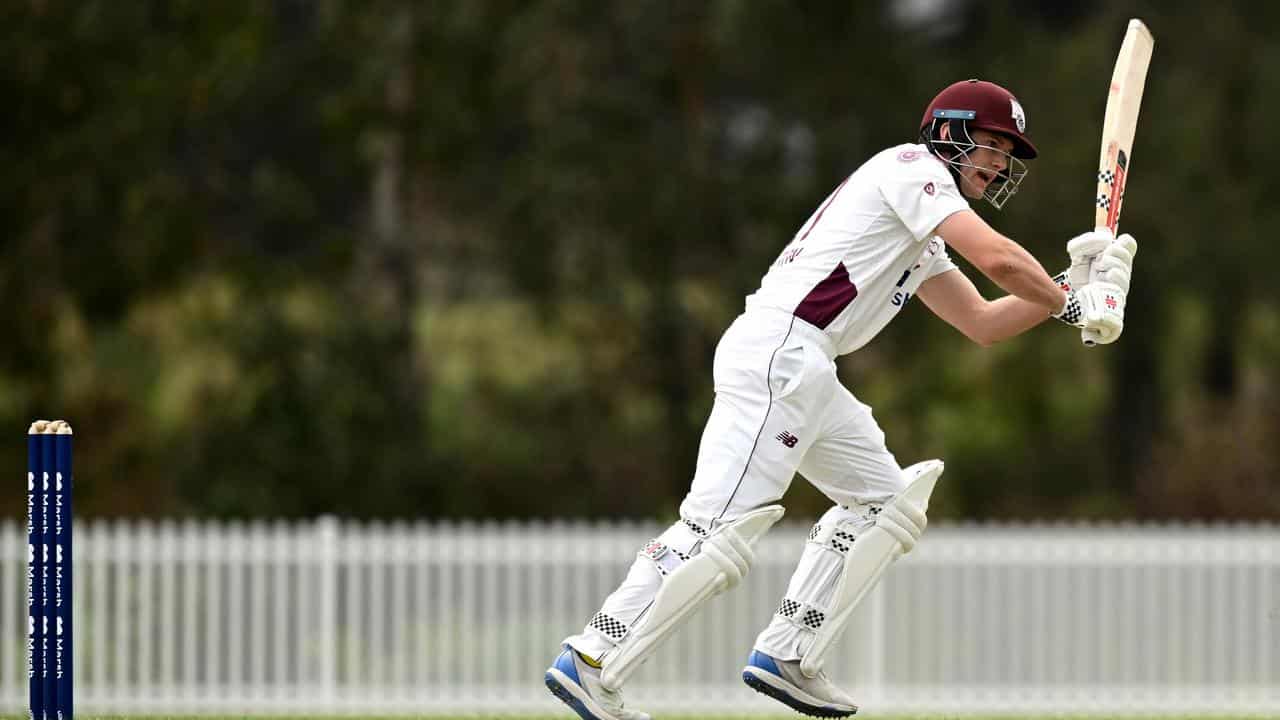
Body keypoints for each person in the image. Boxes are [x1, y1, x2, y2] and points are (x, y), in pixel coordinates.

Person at [544, 79, 1137, 719]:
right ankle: (591, 661)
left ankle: (788, 654)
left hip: (807, 368)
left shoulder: (922, 232)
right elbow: (997, 261)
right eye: (991, 143)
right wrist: (1073, 305)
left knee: (886, 505)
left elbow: (983, 321)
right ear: (949, 131)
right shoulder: (909, 169)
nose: (998, 162)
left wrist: (1071, 282)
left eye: (1006, 153)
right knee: (716, 531)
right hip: (779, 355)